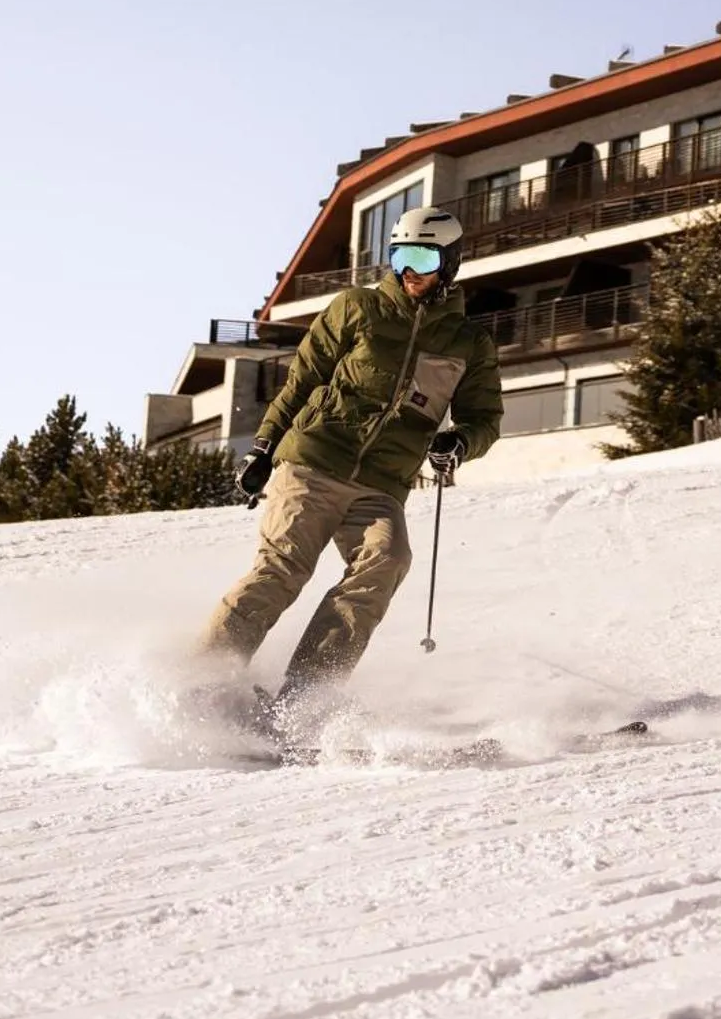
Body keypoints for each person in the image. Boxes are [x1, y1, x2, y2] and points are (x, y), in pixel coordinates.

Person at [198, 205, 503, 705]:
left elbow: (485, 419)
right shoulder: (356, 308)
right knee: (282, 568)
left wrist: (460, 442)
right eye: (400, 255)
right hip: (313, 463)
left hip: (382, 484)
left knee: (387, 560)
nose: (409, 270)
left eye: (423, 258)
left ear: (449, 262)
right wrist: (262, 449)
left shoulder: (469, 342)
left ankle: (304, 701)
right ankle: (200, 682)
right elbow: (303, 381)